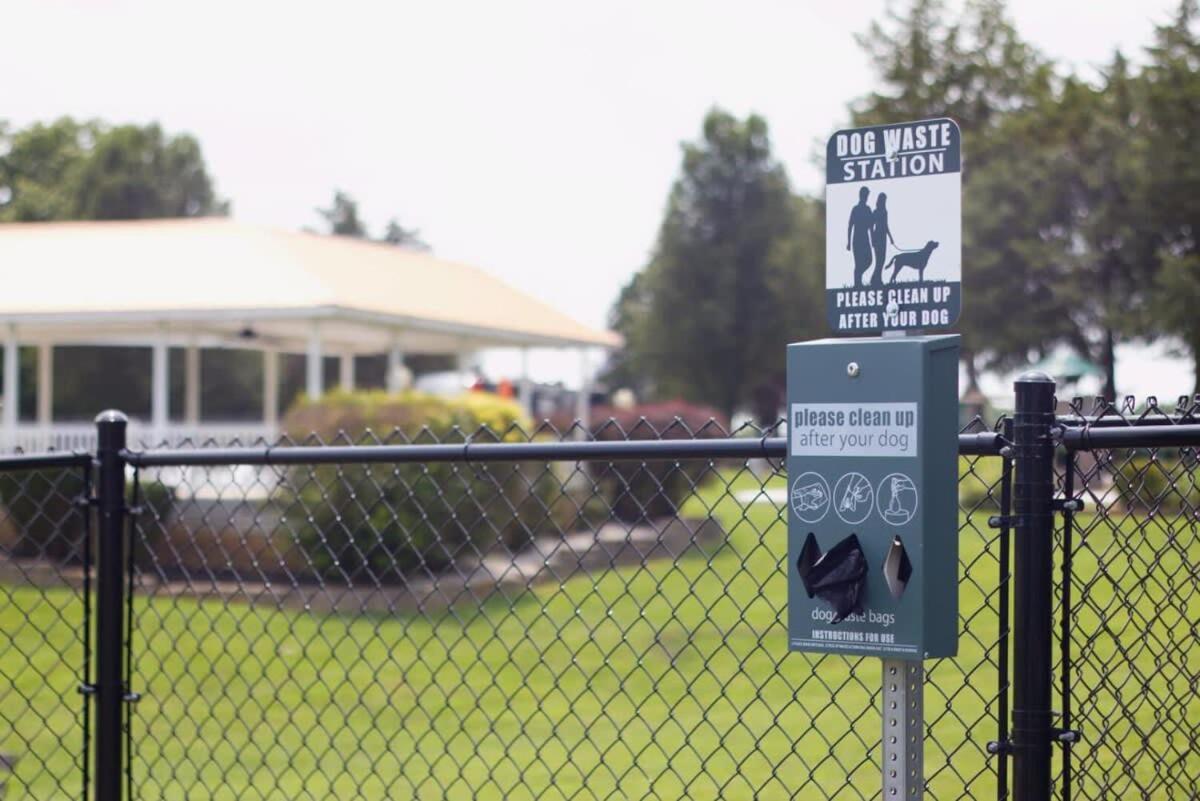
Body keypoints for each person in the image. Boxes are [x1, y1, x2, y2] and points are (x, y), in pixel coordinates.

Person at [846, 186, 873, 287]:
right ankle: (857, 283)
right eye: (866, 195)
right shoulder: (856, 209)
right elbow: (850, 226)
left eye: (867, 195)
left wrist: (873, 239)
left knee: (869, 260)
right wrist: (848, 242)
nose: (867, 197)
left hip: (865, 240)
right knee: (858, 263)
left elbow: (871, 226)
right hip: (857, 239)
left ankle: (858, 279)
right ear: (862, 195)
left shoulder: (868, 209)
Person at [869, 192, 897, 287]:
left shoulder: (885, 211)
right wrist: (872, 239)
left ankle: (877, 279)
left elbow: (886, 225)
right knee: (879, 260)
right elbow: (871, 226)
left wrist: (890, 238)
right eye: (884, 199)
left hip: (883, 237)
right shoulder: (875, 212)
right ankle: (874, 279)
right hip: (877, 237)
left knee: (882, 260)